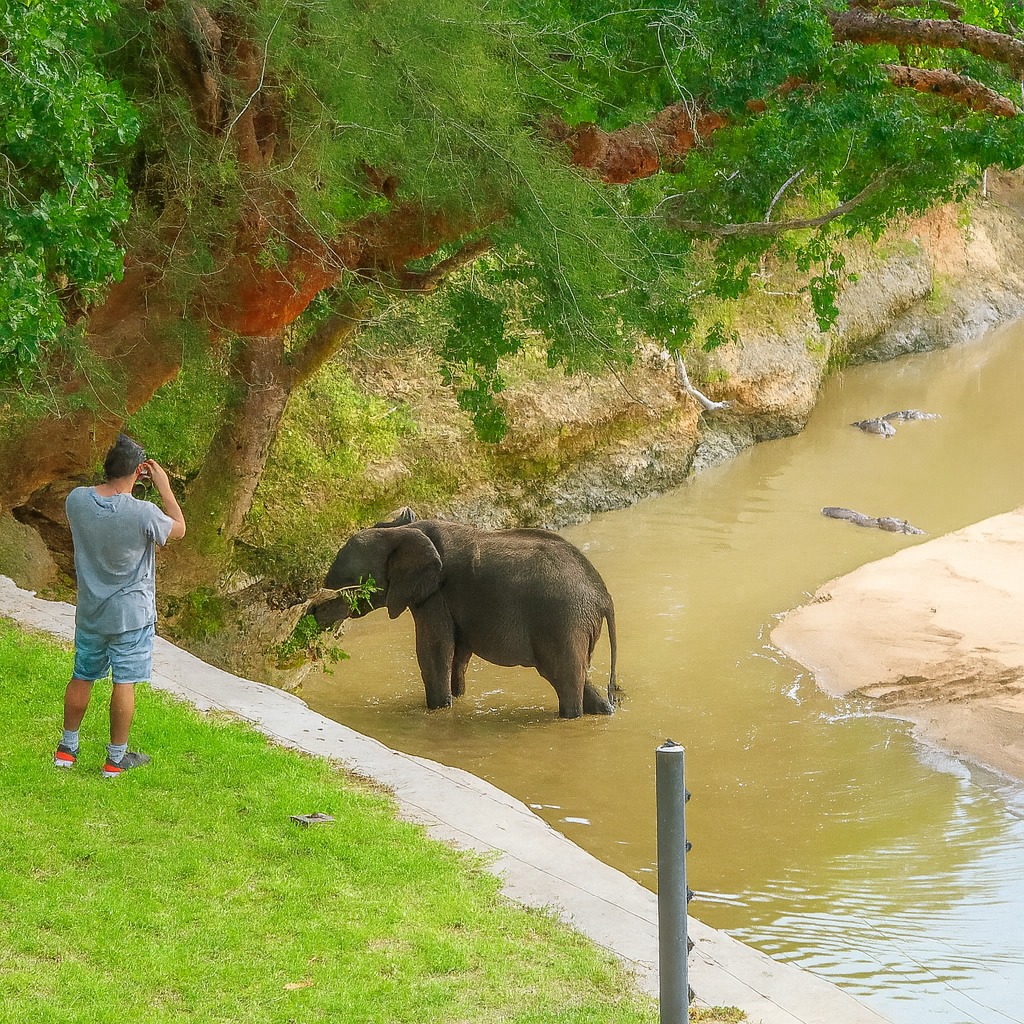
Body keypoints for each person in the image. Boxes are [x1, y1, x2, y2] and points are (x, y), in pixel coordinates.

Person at [54, 434, 186, 777]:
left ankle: (66, 750)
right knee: (123, 682)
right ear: (140, 471)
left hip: (91, 612)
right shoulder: (144, 513)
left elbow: (100, 497)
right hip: (131, 615)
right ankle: (116, 759)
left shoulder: (76, 501)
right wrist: (165, 487)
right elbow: (180, 530)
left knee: (82, 674)